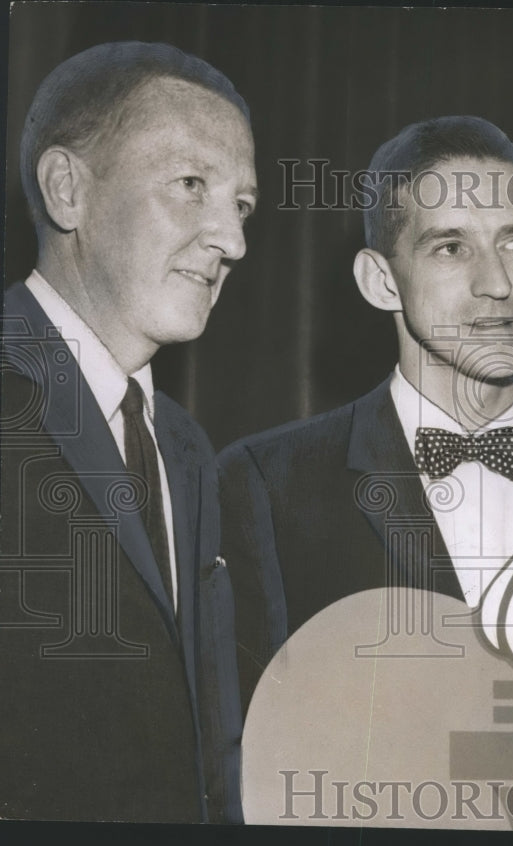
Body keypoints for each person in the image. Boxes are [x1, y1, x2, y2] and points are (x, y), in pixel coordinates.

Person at [220, 115, 513, 709]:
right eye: (451, 247)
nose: (496, 283)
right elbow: (245, 747)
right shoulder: (266, 486)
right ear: (380, 282)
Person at [0, 41, 257, 822]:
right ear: (68, 190)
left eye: (242, 205)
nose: (233, 242)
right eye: (191, 186)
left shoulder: (185, 447)